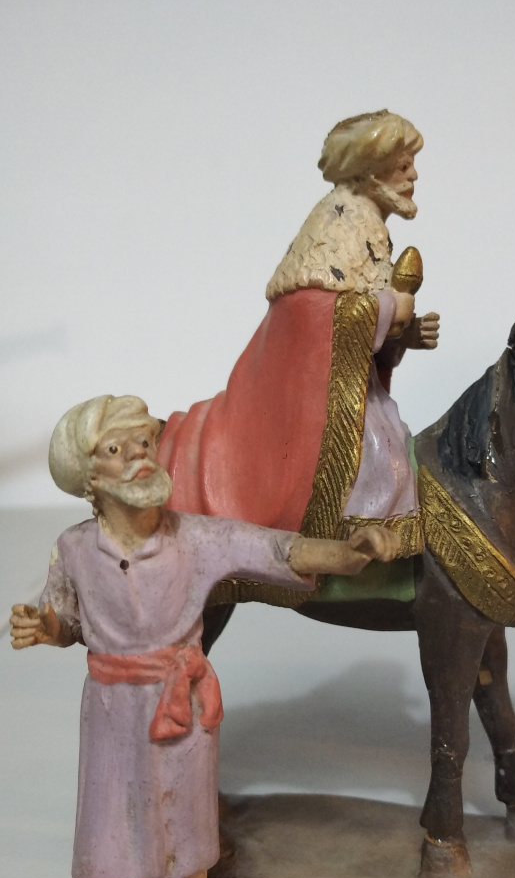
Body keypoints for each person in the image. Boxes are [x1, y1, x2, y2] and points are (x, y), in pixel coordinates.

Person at [10, 394, 399, 878]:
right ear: (88, 476)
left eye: (142, 443)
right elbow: (66, 619)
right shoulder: (73, 550)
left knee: (185, 837)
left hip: (182, 710)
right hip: (112, 716)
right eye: (117, 449)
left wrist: (348, 552)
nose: (138, 456)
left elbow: (277, 548)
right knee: (107, 855)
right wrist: (44, 627)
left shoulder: (195, 536)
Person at [157, 111, 440, 599]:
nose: (413, 175)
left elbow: (357, 326)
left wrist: (400, 335)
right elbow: (312, 311)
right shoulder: (338, 223)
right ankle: (357, 561)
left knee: (393, 438)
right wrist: (391, 308)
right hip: (312, 405)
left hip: (352, 392)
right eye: (401, 165)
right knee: (379, 455)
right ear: (371, 171)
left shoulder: (370, 225)